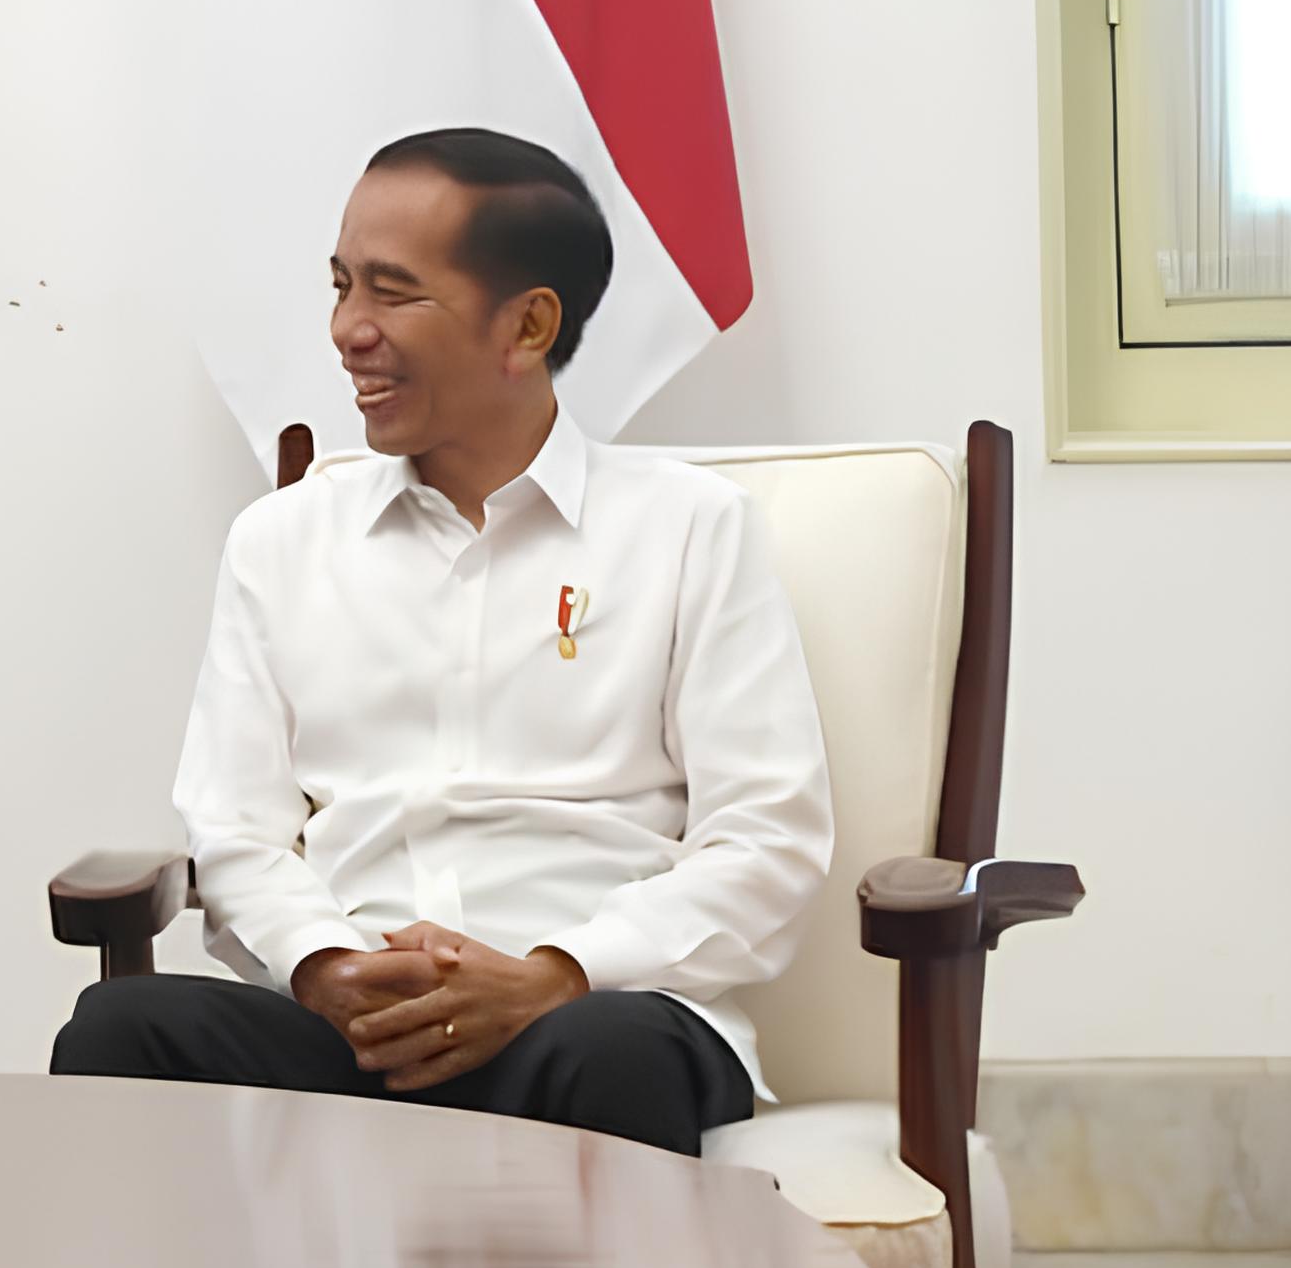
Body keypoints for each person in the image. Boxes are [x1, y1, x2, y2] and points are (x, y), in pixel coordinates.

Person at [51, 128, 832, 1154]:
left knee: (613, 1055)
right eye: (340, 287)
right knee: (122, 1029)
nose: (347, 330)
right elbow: (234, 830)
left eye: (391, 292)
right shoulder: (282, 541)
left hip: (585, 1019)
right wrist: (328, 968)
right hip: (343, 1034)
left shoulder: (690, 529)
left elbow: (768, 839)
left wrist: (554, 972)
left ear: (528, 324)